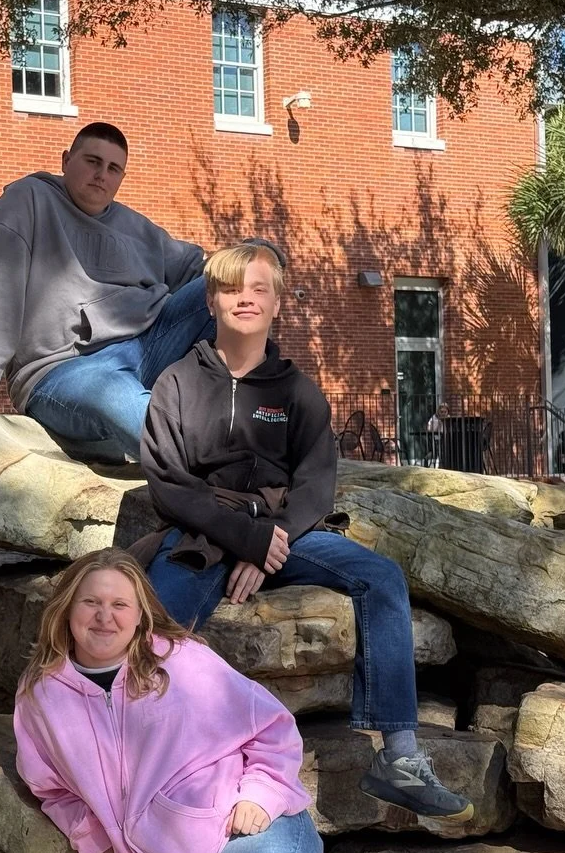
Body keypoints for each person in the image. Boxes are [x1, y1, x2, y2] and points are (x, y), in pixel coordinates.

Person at [137, 243, 473, 822]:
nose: (246, 299)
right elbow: (169, 484)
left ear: (277, 303)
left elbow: (316, 486)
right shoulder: (176, 383)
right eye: (232, 288)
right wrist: (244, 540)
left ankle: (399, 757)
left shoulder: (296, 391)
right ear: (211, 301)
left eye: (259, 289)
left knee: (381, 578)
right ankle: (142, 759)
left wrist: (269, 544)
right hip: (202, 536)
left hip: (283, 535)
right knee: (157, 625)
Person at [14, 549, 378, 853]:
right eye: (91, 602)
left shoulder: (178, 660)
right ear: (67, 607)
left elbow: (271, 727)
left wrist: (259, 794)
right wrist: (94, 841)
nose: (104, 616)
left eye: (119, 604)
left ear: (140, 614)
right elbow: (53, 789)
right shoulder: (41, 695)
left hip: (245, 828)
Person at [0, 122, 210, 462]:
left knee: (229, 284)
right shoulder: (28, 201)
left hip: (148, 345)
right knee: (118, 398)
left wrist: (252, 260)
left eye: (113, 169)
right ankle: (209, 472)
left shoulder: (137, 228)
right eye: (92, 161)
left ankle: (243, 424)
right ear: (66, 160)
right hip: (63, 371)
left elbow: (200, 270)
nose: (101, 175)